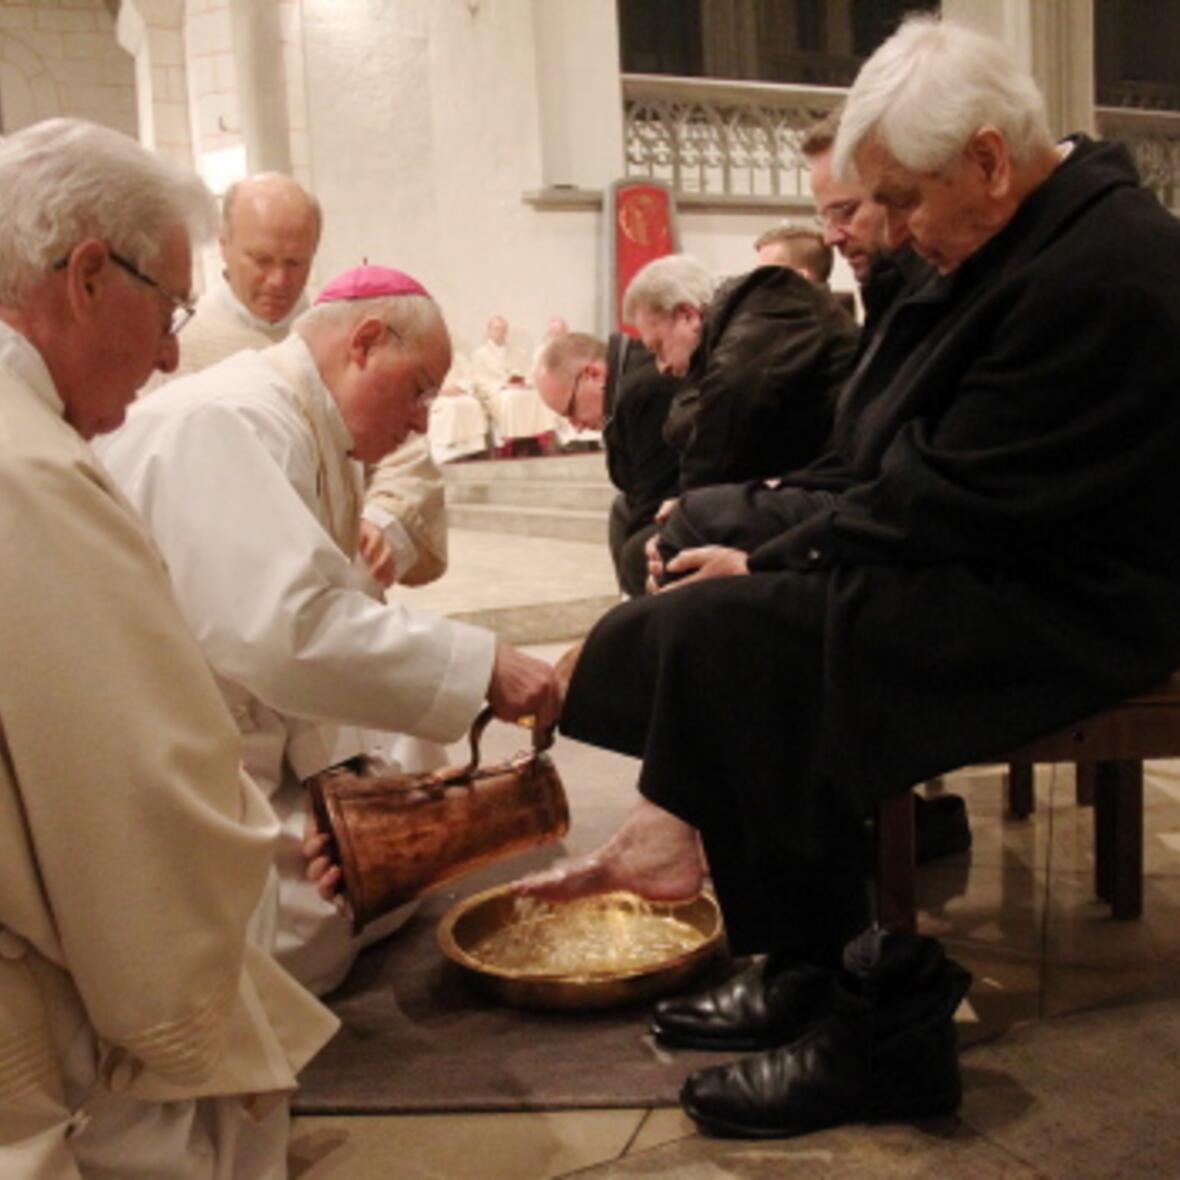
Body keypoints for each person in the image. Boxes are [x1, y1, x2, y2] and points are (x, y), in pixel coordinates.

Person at [517, 14, 1180, 1139]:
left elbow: (947, 493)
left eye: (905, 199)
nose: (893, 230)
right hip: (994, 551)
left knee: (741, 638)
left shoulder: (1104, 262)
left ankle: (875, 1028)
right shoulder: (1008, 229)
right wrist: (783, 531)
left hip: (1087, 599)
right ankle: (802, 959)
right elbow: (888, 447)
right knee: (704, 625)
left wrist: (777, 548)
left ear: (983, 157)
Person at [0, 117, 335, 1177]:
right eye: (167, 305)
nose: (170, 350)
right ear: (90, 274)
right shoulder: (29, 474)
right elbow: (129, 788)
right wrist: (245, 834)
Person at [97, 263, 562, 997]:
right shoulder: (232, 421)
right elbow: (284, 630)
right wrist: (486, 666)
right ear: (366, 342)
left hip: (257, 711)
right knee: (307, 923)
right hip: (172, 753)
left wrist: (333, 784)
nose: (420, 419)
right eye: (418, 390)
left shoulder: (311, 424)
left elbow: (315, 614)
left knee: (403, 771)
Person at [534, 329, 679, 596]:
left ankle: (642, 621)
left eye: (570, 410)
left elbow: (656, 495)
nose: (576, 427)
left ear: (593, 374)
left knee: (639, 551)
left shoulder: (644, 390)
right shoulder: (625, 386)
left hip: (710, 491)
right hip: (677, 492)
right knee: (622, 511)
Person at [472, 313, 556, 456]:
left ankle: (533, 439)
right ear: (489, 331)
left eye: (504, 329)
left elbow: (528, 373)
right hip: (496, 393)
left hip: (517, 388)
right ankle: (513, 442)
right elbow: (479, 380)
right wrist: (502, 385)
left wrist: (523, 382)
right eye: (497, 329)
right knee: (511, 398)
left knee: (536, 396)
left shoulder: (517, 352)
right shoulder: (480, 354)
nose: (501, 332)